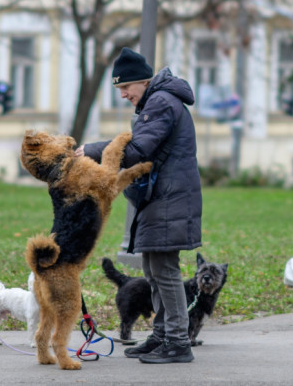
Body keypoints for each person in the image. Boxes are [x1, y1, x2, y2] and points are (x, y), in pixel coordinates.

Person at [75, 46, 202, 364]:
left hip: (169, 197)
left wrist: (92, 150)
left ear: (143, 81)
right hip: (163, 197)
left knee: (165, 270)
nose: (123, 95)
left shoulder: (160, 101)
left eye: (125, 87)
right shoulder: (159, 101)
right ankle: (162, 335)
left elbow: (137, 150)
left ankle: (177, 342)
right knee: (153, 269)